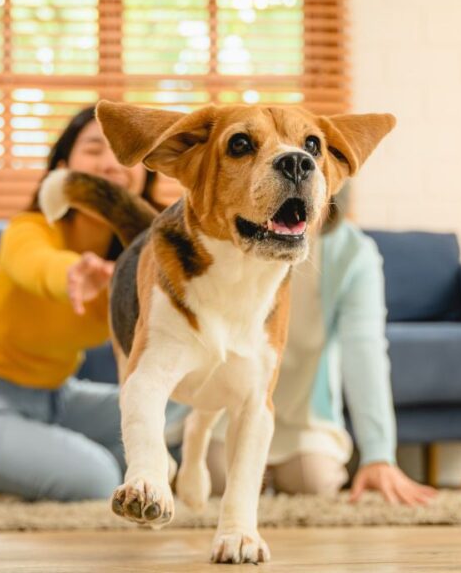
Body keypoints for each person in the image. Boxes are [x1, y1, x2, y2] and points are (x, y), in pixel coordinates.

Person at [167, 181, 437, 505]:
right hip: (227, 404)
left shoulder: (353, 254)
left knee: (312, 479)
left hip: (304, 413)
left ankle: (315, 461)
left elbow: (364, 351)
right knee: (218, 477)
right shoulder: (231, 235)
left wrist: (379, 454)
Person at [0, 106, 163, 501]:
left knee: (169, 418)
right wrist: (72, 274)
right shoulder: (29, 230)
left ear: (144, 171)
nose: (110, 163)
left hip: (58, 397)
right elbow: (39, 265)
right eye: (94, 149)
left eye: (123, 153)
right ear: (64, 166)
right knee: (98, 477)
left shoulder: (145, 255)